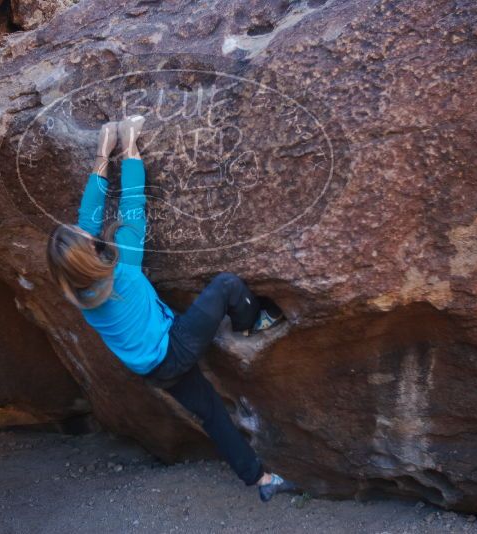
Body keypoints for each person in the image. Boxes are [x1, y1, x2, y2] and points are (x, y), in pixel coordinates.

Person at [46, 116, 297, 502]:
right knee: (227, 284)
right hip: (174, 346)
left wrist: (102, 154)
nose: (86, 231)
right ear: (86, 255)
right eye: (84, 238)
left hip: (153, 370)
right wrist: (129, 149)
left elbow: (87, 220)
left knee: (213, 414)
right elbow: (132, 207)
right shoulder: (123, 269)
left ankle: (262, 481)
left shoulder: (79, 294)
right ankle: (252, 321)